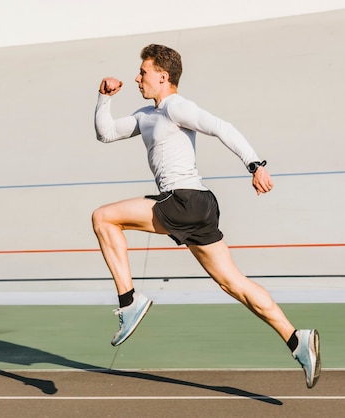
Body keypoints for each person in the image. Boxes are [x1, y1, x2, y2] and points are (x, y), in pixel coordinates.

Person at [92, 44, 320, 388]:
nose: (137, 77)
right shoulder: (146, 115)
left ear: (163, 76)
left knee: (103, 218)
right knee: (234, 283)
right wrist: (103, 98)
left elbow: (220, 126)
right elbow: (105, 133)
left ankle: (130, 301)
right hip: (198, 207)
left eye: (143, 72)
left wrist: (255, 165)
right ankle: (296, 339)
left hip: (182, 200)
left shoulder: (176, 107)